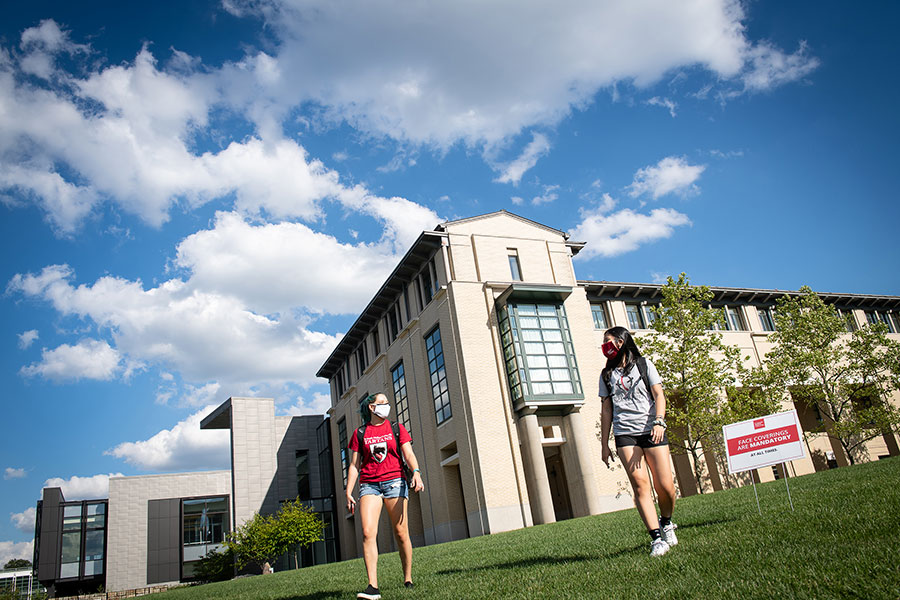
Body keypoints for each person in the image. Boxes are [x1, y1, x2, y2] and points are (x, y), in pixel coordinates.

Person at [598, 326, 678, 557]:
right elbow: (606, 411)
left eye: (608, 341)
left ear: (621, 342)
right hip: (626, 434)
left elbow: (659, 394)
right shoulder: (606, 375)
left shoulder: (644, 364)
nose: (605, 346)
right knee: (640, 485)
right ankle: (656, 539)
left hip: (652, 430)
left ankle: (666, 521)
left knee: (666, 487)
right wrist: (605, 444)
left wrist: (659, 421)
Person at [346, 393, 425, 600]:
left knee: (401, 532)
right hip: (369, 485)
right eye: (382, 403)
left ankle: (407, 578)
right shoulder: (360, 433)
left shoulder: (397, 429)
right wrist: (348, 491)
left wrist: (416, 472)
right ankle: (373, 586)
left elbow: (408, 453)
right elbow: (354, 465)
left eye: (387, 403)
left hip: (395, 482)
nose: (387, 406)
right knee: (367, 532)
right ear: (371, 408)